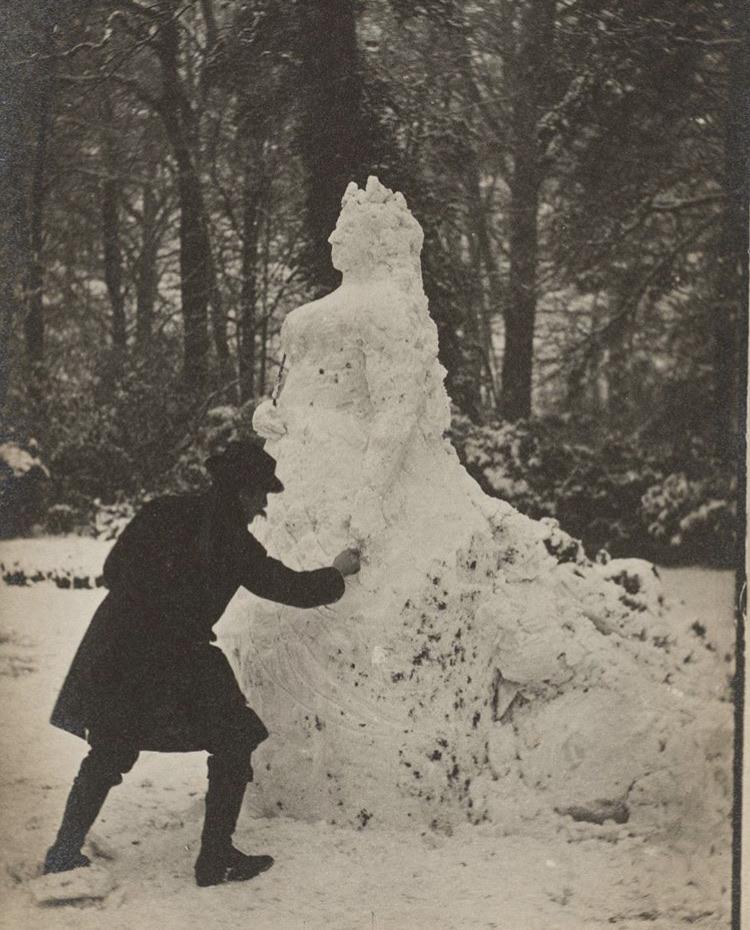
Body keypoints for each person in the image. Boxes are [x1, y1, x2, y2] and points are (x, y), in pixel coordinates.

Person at [43, 440, 360, 886]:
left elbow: (112, 570)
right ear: (241, 492)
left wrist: (149, 600)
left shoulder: (160, 510)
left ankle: (62, 852)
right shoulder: (233, 541)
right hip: (176, 653)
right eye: (260, 495)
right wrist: (338, 572)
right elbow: (289, 587)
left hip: (120, 646)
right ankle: (216, 859)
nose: (262, 506)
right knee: (235, 736)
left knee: (111, 747)